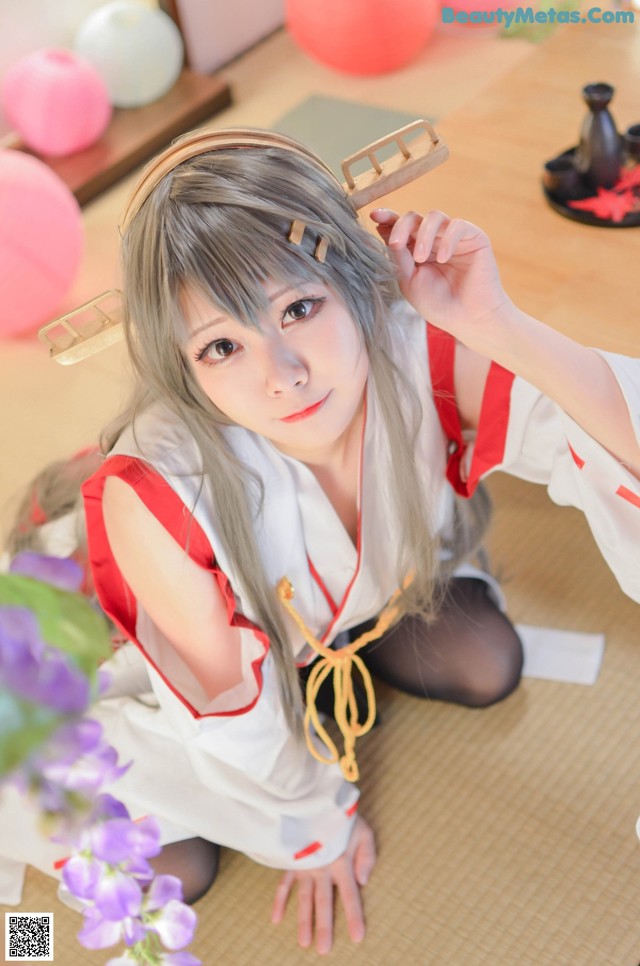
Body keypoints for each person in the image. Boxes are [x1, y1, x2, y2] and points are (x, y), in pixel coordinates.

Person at [4, 128, 640, 956]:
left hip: (338, 605)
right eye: (221, 346)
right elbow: (222, 706)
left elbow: (616, 445)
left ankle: (317, 656)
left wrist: (500, 324)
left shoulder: (420, 345)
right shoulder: (153, 495)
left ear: (353, 280)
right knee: (175, 864)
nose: (282, 373)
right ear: (185, 369)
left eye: (299, 308)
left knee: (485, 662)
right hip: (126, 654)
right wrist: (312, 830)